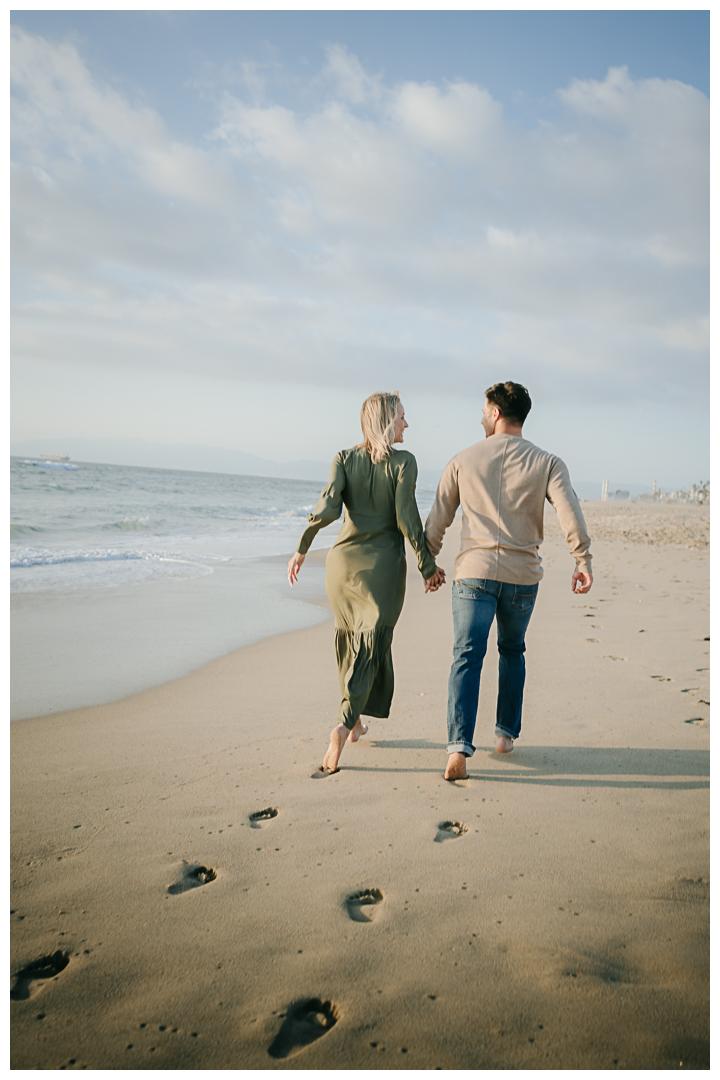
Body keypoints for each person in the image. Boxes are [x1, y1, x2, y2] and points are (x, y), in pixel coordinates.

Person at [424, 381, 593, 781]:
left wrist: (426, 561)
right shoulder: (548, 462)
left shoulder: (463, 459)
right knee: (512, 650)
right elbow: (570, 513)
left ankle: (458, 749)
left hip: (474, 575)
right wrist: (581, 559)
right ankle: (504, 736)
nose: (481, 417)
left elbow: (438, 519)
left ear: (496, 413)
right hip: (522, 577)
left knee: (467, 654)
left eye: (484, 410)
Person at [288, 391, 445, 776]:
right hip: (382, 568)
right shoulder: (404, 462)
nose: (407, 424)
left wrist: (302, 546)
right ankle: (342, 726)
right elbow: (407, 517)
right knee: (371, 642)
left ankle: (356, 720)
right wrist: (427, 567)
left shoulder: (343, 458)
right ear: (388, 421)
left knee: (353, 639)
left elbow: (327, 506)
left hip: (340, 565)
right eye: (403, 417)